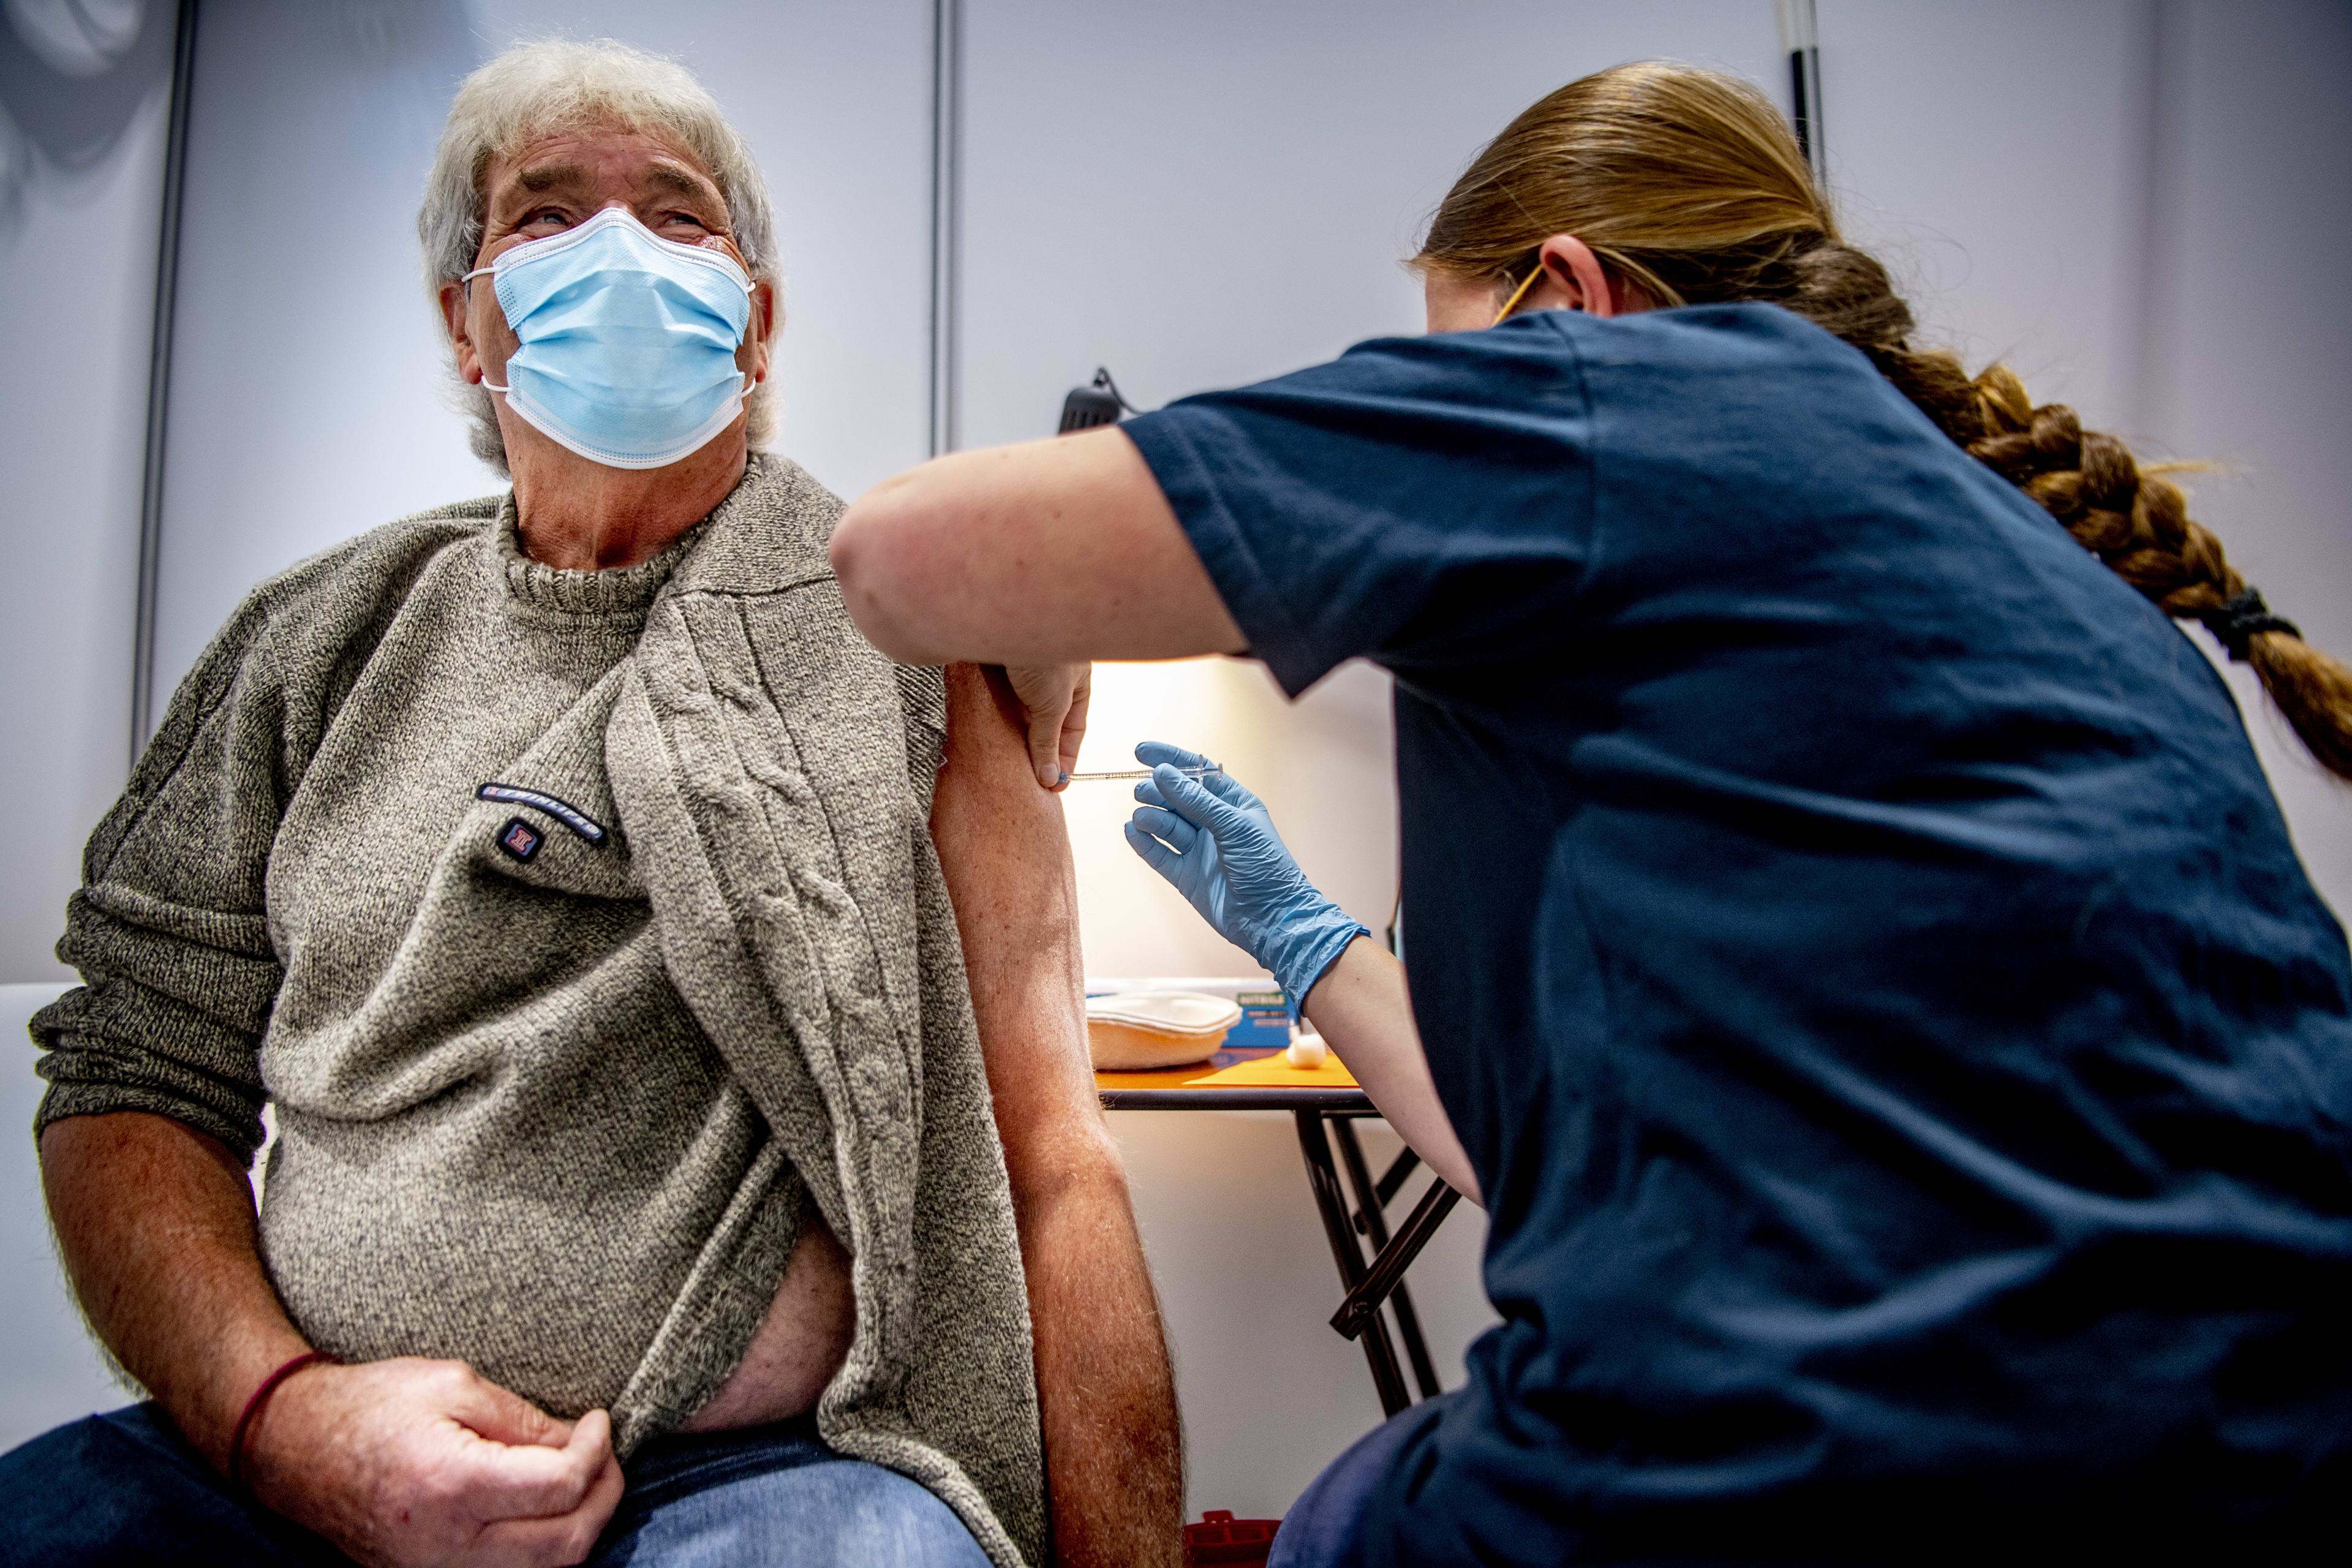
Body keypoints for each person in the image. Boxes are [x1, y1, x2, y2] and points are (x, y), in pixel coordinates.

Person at [827, 59, 2352, 1567]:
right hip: (2271, 1446)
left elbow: (898, 558)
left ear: (1567, 296)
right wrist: (1303, 935)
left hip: (1841, 1465)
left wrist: (1057, 639)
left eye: (1455, 355)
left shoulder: (1615, 399)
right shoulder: (2050, 576)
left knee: (1343, 1526)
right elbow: (1528, 1164)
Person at [5, 39, 1178, 1568]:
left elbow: (1054, 1158)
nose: (621, 252)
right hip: (294, 1449)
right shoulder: (316, 642)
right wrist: (283, 1417)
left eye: (681, 217)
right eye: (547, 216)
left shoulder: (913, 647)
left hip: (764, 1474)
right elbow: (131, 1065)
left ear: (756, 328)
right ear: (466, 320)